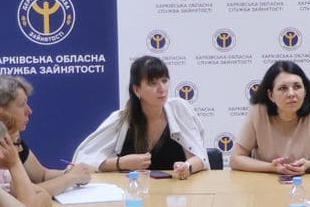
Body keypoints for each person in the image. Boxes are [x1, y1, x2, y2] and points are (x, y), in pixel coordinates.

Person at [71, 55, 208, 179]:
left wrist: (187, 167)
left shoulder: (180, 109)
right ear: (137, 90)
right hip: (133, 192)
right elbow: (82, 161)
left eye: (164, 81)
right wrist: (121, 163)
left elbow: (201, 157)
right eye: (153, 83)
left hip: (178, 193)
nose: (162, 88)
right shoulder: (121, 120)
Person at [0, 75, 93, 201]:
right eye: (22, 104)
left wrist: (68, 173)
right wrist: (71, 178)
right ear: (0, 110)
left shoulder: (14, 137)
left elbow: (41, 175)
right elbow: (23, 196)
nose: (29, 111)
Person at [226, 60, 310, 174]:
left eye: (297, 87)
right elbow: (236, 159)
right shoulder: (258, 113)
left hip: (305, 182)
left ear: (305, 91)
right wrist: (271, 168)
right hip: (266, 181)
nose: (291, 94)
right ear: (271, 95)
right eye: (283, 88)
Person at [0, 103, 52, 207]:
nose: (20, 149)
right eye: (16, 142)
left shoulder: (2, 173)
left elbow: (45, 196)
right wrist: (15, 163)